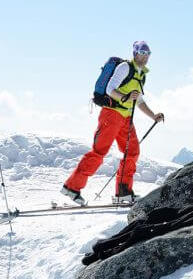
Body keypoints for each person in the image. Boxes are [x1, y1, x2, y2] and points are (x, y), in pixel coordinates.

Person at [62, 41, 165, 206]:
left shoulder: (141, 74)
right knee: (99, 152)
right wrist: (125, 98)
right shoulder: (125, 67)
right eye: (142, 53)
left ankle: (123, 192)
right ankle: (71, 187)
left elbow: (138, 100)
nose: (145, 57)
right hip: (111, 115)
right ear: (135, 53)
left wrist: (153, 116)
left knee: (132, 152)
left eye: (148, 54)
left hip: (125, 119)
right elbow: (110, 89)